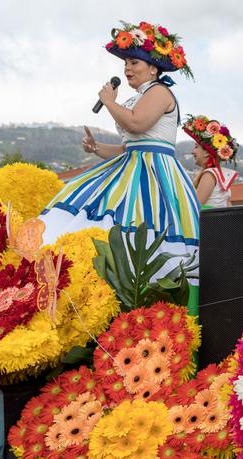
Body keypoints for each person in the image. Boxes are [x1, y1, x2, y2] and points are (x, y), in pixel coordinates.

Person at [40, 21, 198, 282]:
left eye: (134, 62)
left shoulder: (159, 91)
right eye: (125, 63)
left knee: (143, 225)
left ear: (153, 68)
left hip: (155, 173)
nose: (127, 68)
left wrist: (110, 102)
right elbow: (128, 147)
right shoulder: (137, 97)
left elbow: (137, 122)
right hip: (132, 163)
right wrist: (96, 148)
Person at [183, 115, 239, 209]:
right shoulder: (219, 176)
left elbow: (194, 209)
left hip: (207, 223)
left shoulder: (209, 175)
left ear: (206, 152)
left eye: (196, 147)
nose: (192, 151)